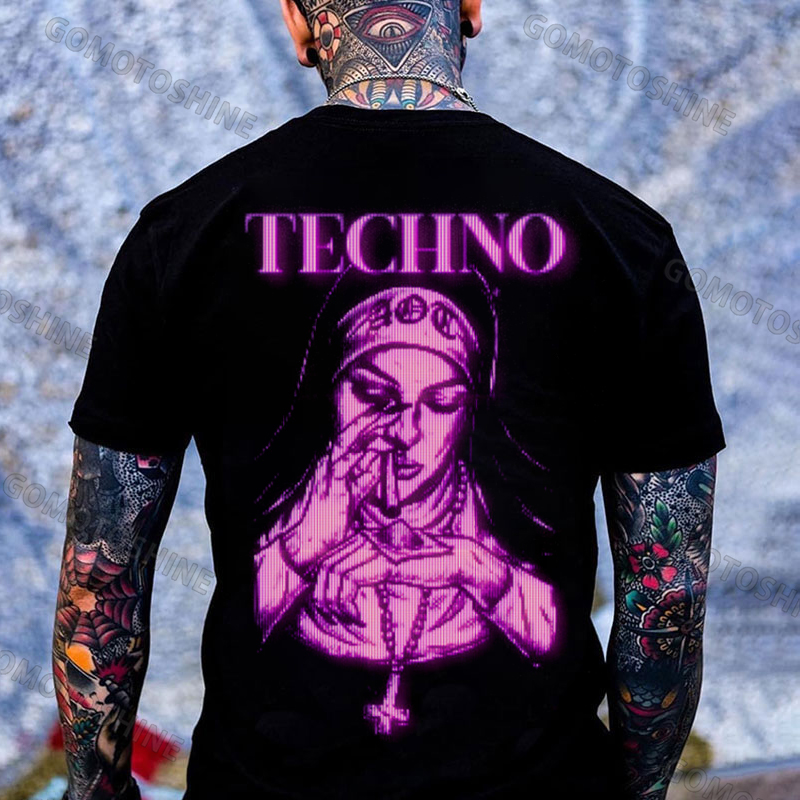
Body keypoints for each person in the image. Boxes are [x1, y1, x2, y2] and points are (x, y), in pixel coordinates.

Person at [53, 1, 726, 799]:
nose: (405, 430)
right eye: (373, 394)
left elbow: (100, 577)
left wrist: (474, 567)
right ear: (471, 7)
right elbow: (667, 592)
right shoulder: (620, 238)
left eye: (439, 401)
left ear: (295, 18)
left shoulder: (187, 233)